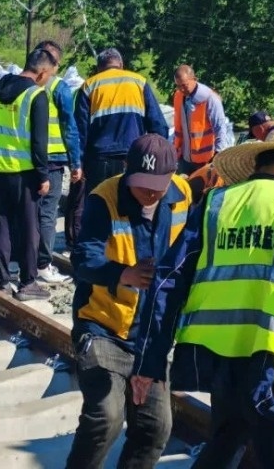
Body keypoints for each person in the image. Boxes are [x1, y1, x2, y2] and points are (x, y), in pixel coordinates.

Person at [130, 127, 274, 468]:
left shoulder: (214, 203)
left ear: (259, 164)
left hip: (218, 361)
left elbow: (168, 280)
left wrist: (148, 363)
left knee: (226, 443)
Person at [65, 134, 193, 469]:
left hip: (151, 335)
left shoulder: (183, 196)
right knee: (106, 417)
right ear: (126, 171)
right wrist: (123, 274)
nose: (150, 193)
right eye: (142, 185)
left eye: (157, 186)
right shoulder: (103, 199)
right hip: (103, 327)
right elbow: (83, 258)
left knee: (155, 427)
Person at [0, 47, 56, 301]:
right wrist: (43, 175)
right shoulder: (36, 96)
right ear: (42, 72)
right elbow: (39, 143)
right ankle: (27, 283)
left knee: (0, 225)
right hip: (23, 172)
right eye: (50, 75)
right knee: (29, 228)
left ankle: (3, 281)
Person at [75, 47, 168, 194]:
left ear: (99, 67)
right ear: (121, 64)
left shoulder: (89, 86)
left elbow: (79, 131)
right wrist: (159, 158)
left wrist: (77, 163)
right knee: (129, 208)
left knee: (99, 208)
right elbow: (158, 125)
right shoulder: (139, 82)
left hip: (98, 160)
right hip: (134, 158)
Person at [33, 40, 82, 285]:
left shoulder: (23, 82)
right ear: (56, 63)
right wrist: (76, 161)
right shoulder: (60, 88)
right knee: (48, 214)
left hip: (27, 158)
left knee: (30, 209)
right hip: (52, 159)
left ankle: (27, 256)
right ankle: (43, 263)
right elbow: (69, 127)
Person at [172, 64, 229, 175]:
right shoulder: (178, 96)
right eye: (178, 86)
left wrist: (217, 155)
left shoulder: (210, 98)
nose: (182, 89)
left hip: (206, 160)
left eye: (184, 85)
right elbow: (179, 127)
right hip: (184, 158)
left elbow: (220, 128)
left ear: (194, 79)